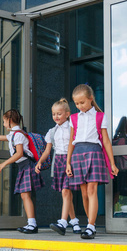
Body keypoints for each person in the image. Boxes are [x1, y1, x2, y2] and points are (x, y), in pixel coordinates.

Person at [0, 109, 45, 233]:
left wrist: (4, 163)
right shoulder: (14, 135)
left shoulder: (18, 135)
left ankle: (32, 224)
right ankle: (31, 223)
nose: (3, 124)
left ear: (9, 120)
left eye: (4, 121)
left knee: (25, 195)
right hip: (23, 167)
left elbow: (19, 153)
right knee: (25, 195)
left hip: (27, 166)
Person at [66, 84, 118, 239]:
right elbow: (71, 141)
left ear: (91, 99)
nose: (79, 106)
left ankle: (90, 226)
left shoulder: (100, 116)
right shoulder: (73, 118)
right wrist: (68, 162)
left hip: (94, 153)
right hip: (78, 154)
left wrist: (112, 163)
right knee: (83, 193)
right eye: (76, 103)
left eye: (82, 102)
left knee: (91, 190)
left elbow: (107, 142)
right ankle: (91, 224)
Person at [35, 98, 82, 235]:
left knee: (66, 191)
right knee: (66, 192)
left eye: (59, 114)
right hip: (58, 162)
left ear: (67, 114)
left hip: (70, 160)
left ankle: (63, 222)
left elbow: (73, 145)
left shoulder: (72, 128)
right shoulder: (52, 131)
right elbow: (48, 151)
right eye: (54, 114)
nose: (56, 116)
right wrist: (40, 161)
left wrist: (73, 161)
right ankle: (74, 221)